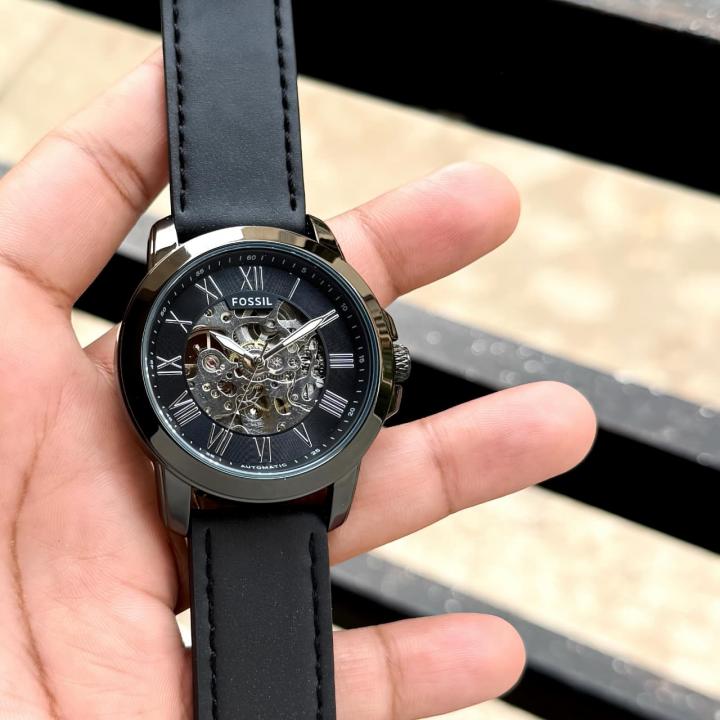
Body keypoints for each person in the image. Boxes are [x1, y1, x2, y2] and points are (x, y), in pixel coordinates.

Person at [0, 49, 595, 719]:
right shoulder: (256, 280)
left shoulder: (287, 278)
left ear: (385, 367)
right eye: (245, 358)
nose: (257, 364)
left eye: (273, 354)